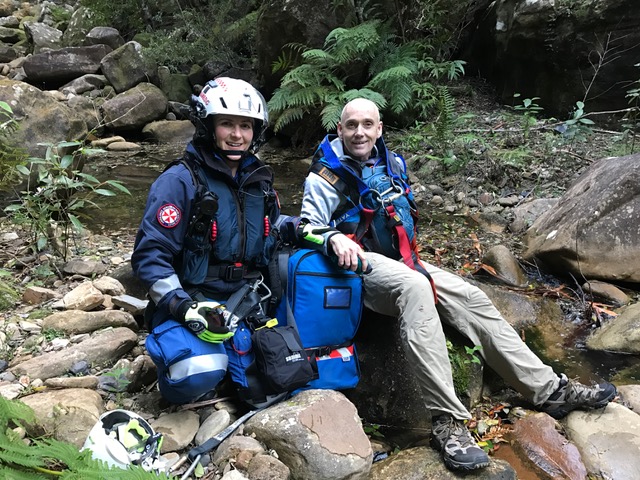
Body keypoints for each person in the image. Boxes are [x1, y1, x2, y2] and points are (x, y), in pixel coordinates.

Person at [300, 98, 617, 472]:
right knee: (415, 290)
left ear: (379, 128)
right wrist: (332, 238)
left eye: (367, 125)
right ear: (339, 129)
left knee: (471, 295)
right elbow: (306, 226)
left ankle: (549, 391)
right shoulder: (324, 176)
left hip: (404, 263)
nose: (359, 132)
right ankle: (446, 421)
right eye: (351, 125)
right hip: (357, 271)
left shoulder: (391, 164)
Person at [131, 77, 324, 406]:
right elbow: (150, 257)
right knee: (198, 371)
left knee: (280, 378)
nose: (238, 135)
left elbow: (269, 222)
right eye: (227, 124)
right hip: (194, 300)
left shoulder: (258, 179)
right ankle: (180, 361)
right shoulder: (179, 181)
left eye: (246, 126)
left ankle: (234, 359)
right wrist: (184, 307)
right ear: (208, 126)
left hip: (246, 302)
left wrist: (300, 226)